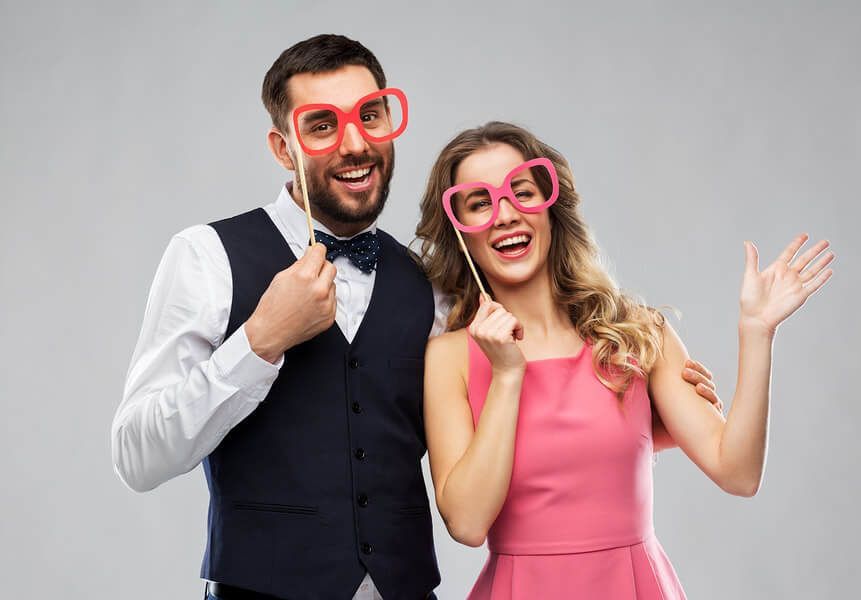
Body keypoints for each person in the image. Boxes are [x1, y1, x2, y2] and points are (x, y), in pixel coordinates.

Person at [111, 35, 721, 600]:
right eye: (322, 125)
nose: (354, 144)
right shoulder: (206, 257)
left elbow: (495, 423)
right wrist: (260, 341)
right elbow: (138, 458)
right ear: (283, 147)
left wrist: (644, 411)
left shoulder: (433, 291)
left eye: (369, 116)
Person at [416, 122, 833, 599]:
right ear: (461, 235)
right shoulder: (448, 359)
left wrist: (756, 333)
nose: (505, 214)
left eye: (521, 192)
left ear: (551, 208)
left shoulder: (637, 334)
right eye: (480, 203)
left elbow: (737, 472)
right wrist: (508, 374)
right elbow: (467, 523)